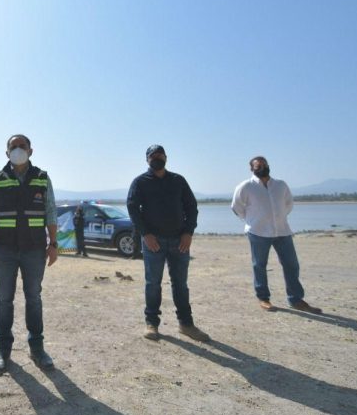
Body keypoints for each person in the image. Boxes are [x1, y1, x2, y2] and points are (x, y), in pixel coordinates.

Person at [0, 134, 58, 375]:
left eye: (22, 146)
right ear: (7, 153)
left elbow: (51, 211)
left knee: (33, 298)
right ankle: (3, 350)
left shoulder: (42, 178)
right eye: (13, 146)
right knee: (4, 299)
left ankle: (37, 348)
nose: (18, 149)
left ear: (30, 150)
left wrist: (53, 244)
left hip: (34, 249)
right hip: (4, 249)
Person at [126, 145, 210, 342]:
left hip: (179, 241)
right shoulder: (140, 182)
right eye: (153, 156)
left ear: (166, 157)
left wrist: (188, 232)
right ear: (147, 159)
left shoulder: (178, 180)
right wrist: (146, 234)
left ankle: (186, 324)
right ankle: (152, 324)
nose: (157, 158)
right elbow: (132, 208)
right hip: (153, 242)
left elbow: (192, 207)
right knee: (153, 284)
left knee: (180, 284)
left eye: (160, 155)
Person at [232, 156, 322, 314]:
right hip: (258, 232)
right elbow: (236, 207)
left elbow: (288, 204)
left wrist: (279, 217)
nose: (262, 167)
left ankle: (295, 299)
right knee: (259, 265)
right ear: (252, 169)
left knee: (291, 264)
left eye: (264, 164)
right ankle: (264, 298)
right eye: (258, 166)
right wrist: (251, 220)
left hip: (282, 231)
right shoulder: (246, 186)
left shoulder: (281, 185)